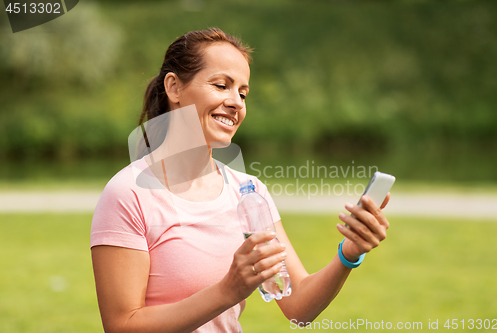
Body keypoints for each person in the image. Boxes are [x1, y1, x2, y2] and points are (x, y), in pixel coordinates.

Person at [90, 28, 390, 333]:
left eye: (243, 93)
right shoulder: (128, 193)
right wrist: (228, 290)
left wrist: (349, 253)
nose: (236, 103)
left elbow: (298, 307)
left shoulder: (248, 192)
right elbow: (121, 326)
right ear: (174, 88)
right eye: (222, 86)